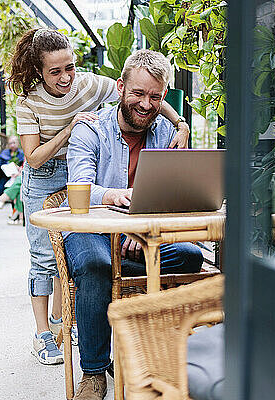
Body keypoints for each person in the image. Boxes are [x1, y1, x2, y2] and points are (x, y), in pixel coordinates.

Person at [9, 29, 191, 366]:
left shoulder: (96, 86)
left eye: (70, 68)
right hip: (45, 172)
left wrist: (180, 123)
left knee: (188, 256)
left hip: (87, 180)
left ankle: (83, 320)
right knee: (48, 259)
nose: (65, 77)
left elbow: (149, 94)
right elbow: (34, 158)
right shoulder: (31, 103)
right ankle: (55, 340)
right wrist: (71, 128)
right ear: (39, 71)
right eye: (55, 71)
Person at [63, 49, 204, 399]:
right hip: (91, 231)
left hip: (140, 236)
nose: (145, 103)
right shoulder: (90, 130)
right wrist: (113, 197)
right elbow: (80, 189)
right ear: (121, 87)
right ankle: (94, 373)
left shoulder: (166, 136)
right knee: (96, 266)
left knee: (189, 255)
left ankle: (161, 356)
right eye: (138, 93)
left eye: (155, 96)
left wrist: (140, 234)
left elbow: (171, 196)